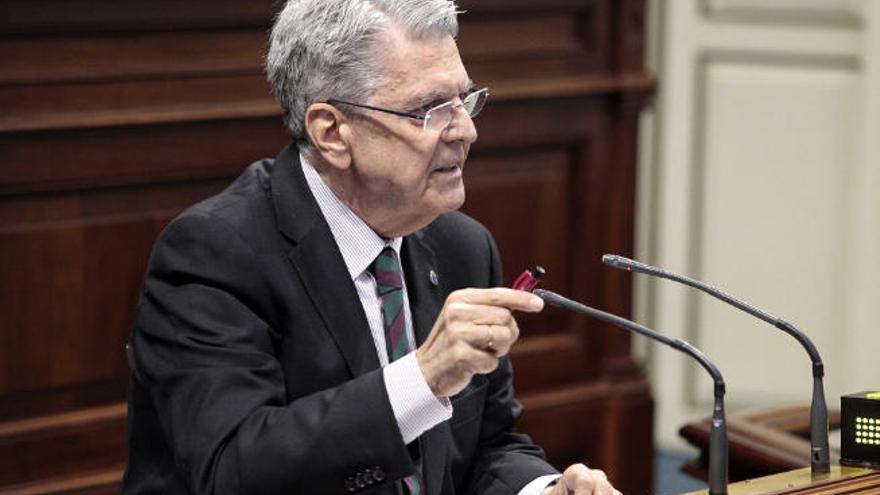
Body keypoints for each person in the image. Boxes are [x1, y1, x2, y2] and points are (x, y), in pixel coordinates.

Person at [122, 1, 623, 494]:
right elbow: (231, 470)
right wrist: (422, 378)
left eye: (464, 100)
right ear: (332, 132)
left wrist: (541, 489)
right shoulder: (214, 253)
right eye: (429, 109)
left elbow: (486, 446)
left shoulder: (462, 246)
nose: (466, 130)